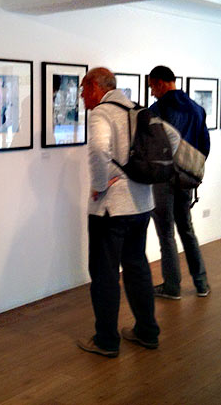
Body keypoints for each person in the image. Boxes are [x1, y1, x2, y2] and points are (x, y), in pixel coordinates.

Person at [76, 68, 179, 357]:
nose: (82, 96)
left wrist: (100, 184)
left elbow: (97, 148)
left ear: (96, 87)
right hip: (141, 205)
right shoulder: (138, 109)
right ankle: (147, 331)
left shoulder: (101, 113)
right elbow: (172, 138)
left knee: (105, 273)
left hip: (110, 210)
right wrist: (142, 171)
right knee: (137, 268)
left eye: (84, 89)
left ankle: (107, 341)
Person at [148, 65, 211, 300]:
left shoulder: (158, 109)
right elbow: (204, 145)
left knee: (166, 233)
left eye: (152, 87)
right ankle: (201, 283)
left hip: (163, 180)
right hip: (186, 180)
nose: (152, 92)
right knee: (187, 229)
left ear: (161, 83)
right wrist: (190, 167)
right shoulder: (196, 109)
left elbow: (153, 146)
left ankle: (172, 286)